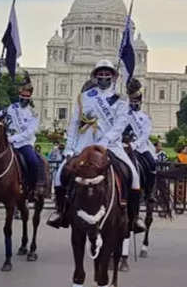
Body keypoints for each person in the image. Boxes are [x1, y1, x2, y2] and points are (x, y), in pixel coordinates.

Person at [48, 59, 143, 231]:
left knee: (134, 176)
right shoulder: (84, 97)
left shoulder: (121, 100)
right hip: (84, 145)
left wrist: (104, 143)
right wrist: (69, 148)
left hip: (111, 146)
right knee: (60, 174)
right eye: (101, 74)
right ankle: (60, 212)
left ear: (113, 77)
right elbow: (74, 124)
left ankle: (133, 217)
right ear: (95, 76)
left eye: (107, 74)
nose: (104, 77)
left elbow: (120, 125)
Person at [0, 72, 42, 193]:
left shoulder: (34, 114)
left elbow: (29, 133)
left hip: (23, 145)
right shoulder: (12, 107)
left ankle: (32, 188)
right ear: (19, 95)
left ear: (30, 98)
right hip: (6, 143)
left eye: (26, 97)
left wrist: (13, 138)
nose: (24, 99)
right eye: (22, 96)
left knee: (33, 161)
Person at [126, 78, 157, 201]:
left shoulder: (145, 118)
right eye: (131, 100)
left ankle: (149, 193)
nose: (134, 103)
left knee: (152, 164)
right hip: (123, 145)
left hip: (140, 148)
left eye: (136, 100)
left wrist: (135, 145)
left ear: (140, 101)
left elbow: (144, 135)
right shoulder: (123, 114)